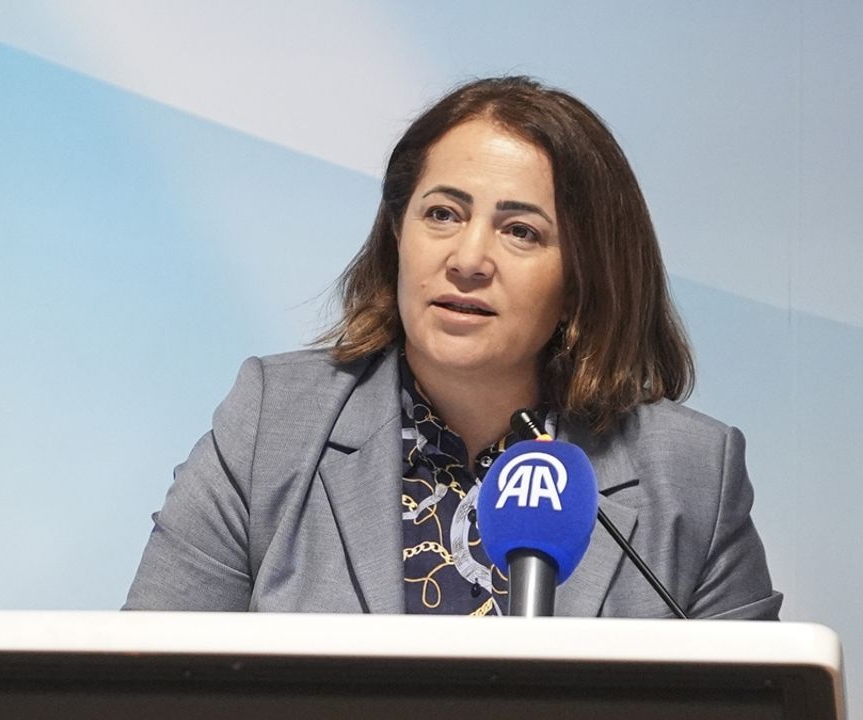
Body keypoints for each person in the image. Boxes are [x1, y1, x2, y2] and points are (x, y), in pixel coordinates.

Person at [125, 76, 781, 619]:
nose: (468, 260)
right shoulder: (272, 424)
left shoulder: (693, 474)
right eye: (443, 214)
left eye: (521, 231)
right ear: (397, 235)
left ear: (584, 277)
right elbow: (147, 684)